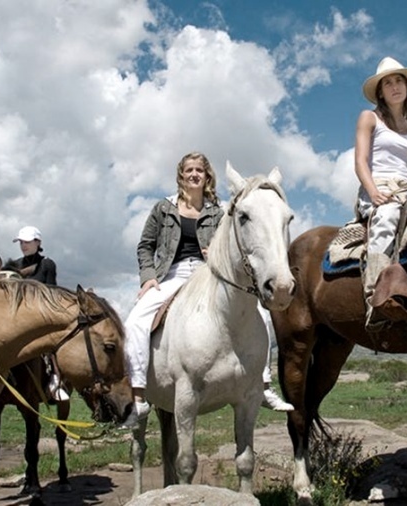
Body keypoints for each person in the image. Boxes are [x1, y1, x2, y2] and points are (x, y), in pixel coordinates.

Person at [120, 152, 292, 430]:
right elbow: (145, 245)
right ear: (181, 175)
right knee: (135, 322)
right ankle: (138, 395)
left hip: (209, 272)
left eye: (199, 169)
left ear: (207, 175)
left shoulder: (218, 211)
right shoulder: (163, 208)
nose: (194, 174)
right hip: (171, 274)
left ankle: (263, 385)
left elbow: (232, 239)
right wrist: (148, 277)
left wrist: (218, 251)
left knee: (259, 312)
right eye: (189, 169)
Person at [354, 57, 407, 331]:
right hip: (379, 187)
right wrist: (373, 192)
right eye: (388, 83)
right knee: (388, 217)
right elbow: (360, 160)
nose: (394, 87)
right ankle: (375, 298)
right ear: (380, 91)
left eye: (399, 81)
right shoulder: (370, 118)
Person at [10, 225, 66, 401]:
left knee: (51, 345)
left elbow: (52, 291)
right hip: (17, 316)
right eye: (21, 242)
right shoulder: (15, 265)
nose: (23, 245)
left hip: (40, 313)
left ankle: (55, 379)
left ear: (37, 242)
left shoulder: (47, 264)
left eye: (27, 242)